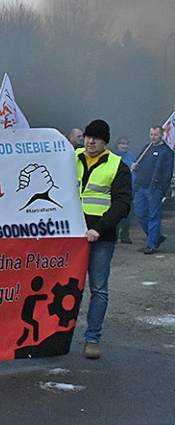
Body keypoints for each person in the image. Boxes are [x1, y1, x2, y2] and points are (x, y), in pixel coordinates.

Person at [76, 119, 131, 360]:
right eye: (88, 137)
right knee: (65, 287)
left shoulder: (117, 166)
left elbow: (122, 204)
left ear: (105, 142)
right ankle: (57, 335)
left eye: (96, 138)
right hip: (72, 236)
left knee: (98, 289)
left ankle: (92, 339)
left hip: (101, 237)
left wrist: (98, 229)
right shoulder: (71, 157)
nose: (90, 141)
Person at [131, 125, 174, 255]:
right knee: (140, 214)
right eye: (151, 134)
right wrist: (135, 166)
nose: (153, 137)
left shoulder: (167, 152)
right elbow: (139, 163)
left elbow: (167, 174)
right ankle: (156, 237)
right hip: (141, 187)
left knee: (154, 216)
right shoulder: (147, 148)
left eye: (155, 135)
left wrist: (161, 189)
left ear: (161, 135)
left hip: (154, 189)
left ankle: (151, 245)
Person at [111, 137, 137, 243]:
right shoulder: (112, 156)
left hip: (130, 188)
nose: (124, 146)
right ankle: (114, 235)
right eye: (122, 144)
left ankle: (125, 236)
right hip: (116, 188)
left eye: (126, 144)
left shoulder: (132, 156)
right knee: (115, 213)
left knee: (127, 214)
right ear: (117, 145)